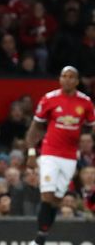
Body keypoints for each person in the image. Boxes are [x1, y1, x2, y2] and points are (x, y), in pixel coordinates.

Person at [25, 66, 94, 245]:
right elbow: (35, 127)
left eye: (71, 77)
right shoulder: (49, 99)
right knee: (47, 195)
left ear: (77, 81)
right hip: (50, 153)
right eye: (64, 76)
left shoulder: (85, 103)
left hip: (70, 156)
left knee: (56, 200)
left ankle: (43, 234)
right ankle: (39, 239)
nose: (67, 80)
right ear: (60, 79)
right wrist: (32, 151)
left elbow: (92, 126)